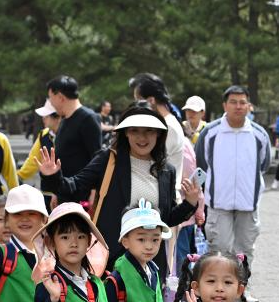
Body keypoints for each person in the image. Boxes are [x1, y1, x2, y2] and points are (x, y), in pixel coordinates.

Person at [38, 106, 199, 278]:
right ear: (126, 133)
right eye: (135, 131)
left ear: (158, 134)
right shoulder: (108, 160)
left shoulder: (167, 170)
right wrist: (52, 176)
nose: (142, 137)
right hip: (111, 261)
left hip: (150, 264)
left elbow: (166, 219)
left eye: (149, 131)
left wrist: (190, 202)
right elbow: (73, 188)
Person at [194, 86, 272, 302]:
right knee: (219, 249)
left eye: (242, 102)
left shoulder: (259, 134)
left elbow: (264, 165)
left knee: (245, 251)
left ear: (249, 105)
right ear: (224, 105)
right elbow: (201, 165)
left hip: (248, 204)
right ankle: (213, 293)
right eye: (233, 102)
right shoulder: (210, 133)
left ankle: (241, 292)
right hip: (219, 203)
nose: (238, 106)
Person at [131, 73, 186, 186]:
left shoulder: (168, 127)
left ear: (151, 100)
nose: (137, 106)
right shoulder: (163, 124)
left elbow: (149, 166)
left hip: (164, 194)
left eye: (139, 101)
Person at [46, 76, 102, 178]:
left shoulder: (88, 118)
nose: (50, 102)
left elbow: (97, 159)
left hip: (82, 186)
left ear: (60, 97)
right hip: (64, 185)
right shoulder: (64, 119)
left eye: (50, 97)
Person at [17, 99, 61, 183]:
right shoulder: (43, 135)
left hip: (71, 185)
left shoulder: (70, 133)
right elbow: (33, 161)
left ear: (58, 117)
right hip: (49, 186)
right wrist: (18, 176)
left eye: (46, 116)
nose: (43, 118)